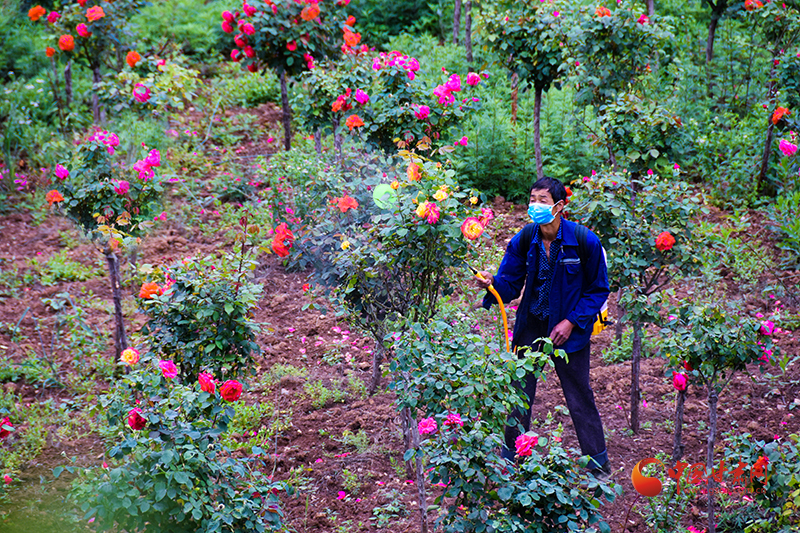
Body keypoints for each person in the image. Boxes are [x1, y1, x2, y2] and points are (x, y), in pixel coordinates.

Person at [476, 176, 611, 478]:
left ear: (560, 206)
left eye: (543, 201)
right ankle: (512, 461)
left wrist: (571, 321)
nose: (535, 206)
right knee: (519, 395)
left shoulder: (584, 241)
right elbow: (509, 283)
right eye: (533, 199)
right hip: (532, 326)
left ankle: (598, 467)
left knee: (579, 396)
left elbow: (598, 290)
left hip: (568, 331)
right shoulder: (526, 239)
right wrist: (492, 283)